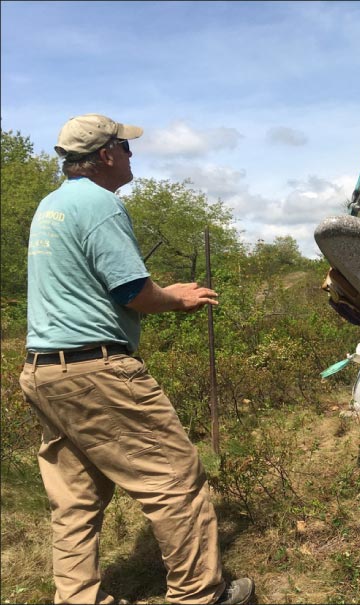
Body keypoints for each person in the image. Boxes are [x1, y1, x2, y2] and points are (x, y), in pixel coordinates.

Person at [18, 114, 254, 605]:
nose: (131, 155)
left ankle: (78, 599)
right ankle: (199, 596)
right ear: (105, 155)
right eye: (125, 147)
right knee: (175, 480)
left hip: (43, 371)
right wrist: (177, 297)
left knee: (76, 499)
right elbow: (133, 292)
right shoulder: (100, 205)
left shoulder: (51, 206)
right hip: (96, 371)